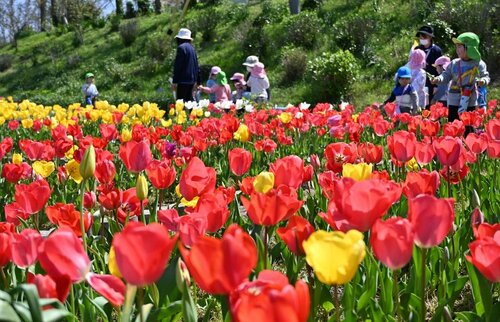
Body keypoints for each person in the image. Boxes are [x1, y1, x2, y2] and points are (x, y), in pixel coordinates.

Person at [431, 32, 490, 124]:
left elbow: (485, 76)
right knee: (453, 123)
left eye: (459, 46)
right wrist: (438, 79)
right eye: (456, 47)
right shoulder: (454, 63)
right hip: (453, 99)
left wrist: (482, 81)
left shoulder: (479, 63)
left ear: (469, 48)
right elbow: (446, 75)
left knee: (468, 124)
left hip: (470, 99)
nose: (457, 50)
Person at [415, 25, 443, 108]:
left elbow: (439, 68)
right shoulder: (417, 49)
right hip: (418, 81)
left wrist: (436, 85)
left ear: (430, 37)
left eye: (424, 36)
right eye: (420, 37)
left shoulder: (436, 50)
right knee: (417, 104)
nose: (422, 39)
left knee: (428, 106)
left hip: (431, 82)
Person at [172, 28, 201, 102]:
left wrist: (174, 81)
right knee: (190, 103)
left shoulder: (181, 48)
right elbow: (197, 66)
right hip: (192, 80)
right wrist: (198, 81)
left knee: (180, 104)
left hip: (183, 80)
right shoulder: (192, 49)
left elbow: (178, 65)